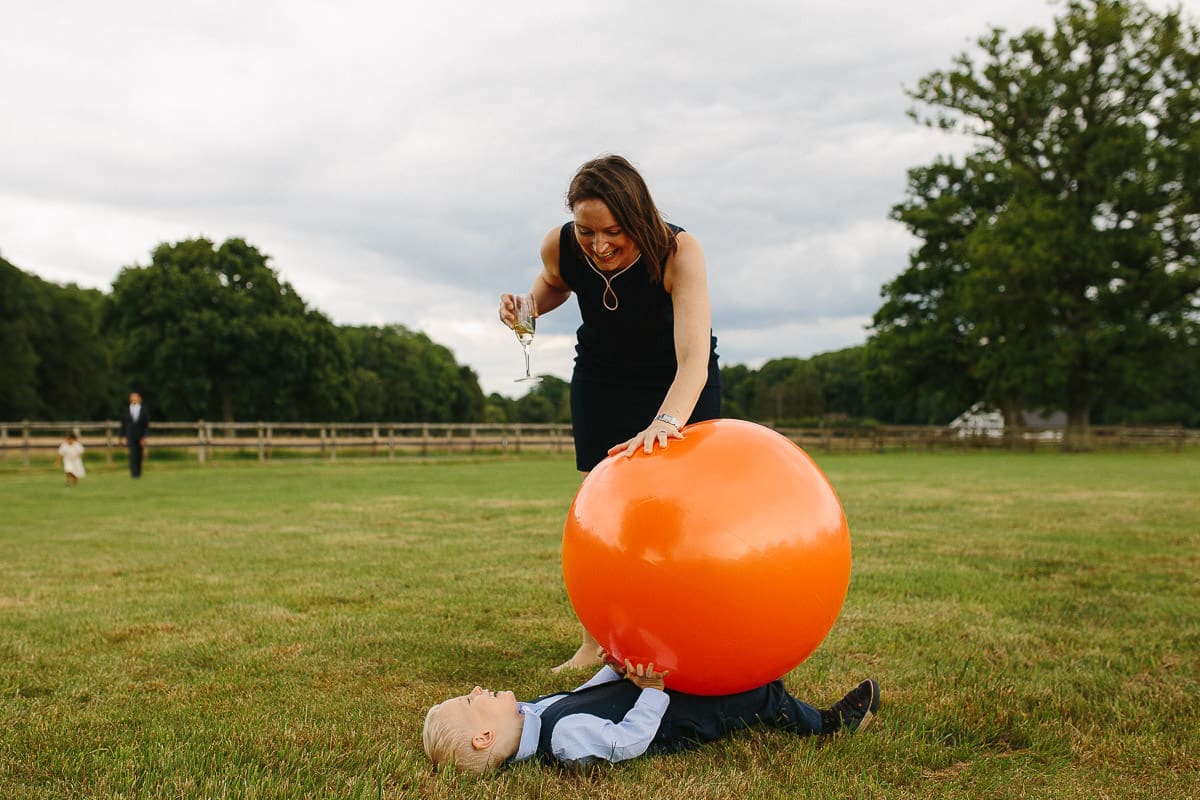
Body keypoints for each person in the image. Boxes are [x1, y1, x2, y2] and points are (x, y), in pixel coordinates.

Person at [498, 154, 723, 671]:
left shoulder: (679, 251)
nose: (599, 245)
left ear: (638, 216)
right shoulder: (560, 245)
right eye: (587, 231)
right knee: (601, 515)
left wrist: (664, 426)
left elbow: (692, 362)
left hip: (679, 383)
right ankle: (595, 645)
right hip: (603, 379)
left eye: (614, 232)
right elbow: (554, 284)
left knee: (680, 515)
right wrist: (523, 310)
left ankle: (690, 632)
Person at [422, 658, 880, 774]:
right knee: (756, 696)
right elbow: (628, 740)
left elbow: (588, 694)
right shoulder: (564, 740)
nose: (476, 689)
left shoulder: (537, 714)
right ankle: (825, 725)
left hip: (649, 693)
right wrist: (655, 693)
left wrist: (615, 665)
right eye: (469, 699)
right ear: (485, 736)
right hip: (674, 717)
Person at [119, 391, 150, 478]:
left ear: (139, 399)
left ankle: (138, 473)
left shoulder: (144, 410)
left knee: (139, 455)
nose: (133, 399)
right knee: (132, 455)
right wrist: (121, 437)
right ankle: (133, 474)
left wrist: (144, 437)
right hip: (130, 436)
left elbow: (146, 425)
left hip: (140, 436)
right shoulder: (126, 410)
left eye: (135, 397)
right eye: (132, 397)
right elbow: (123, 424)